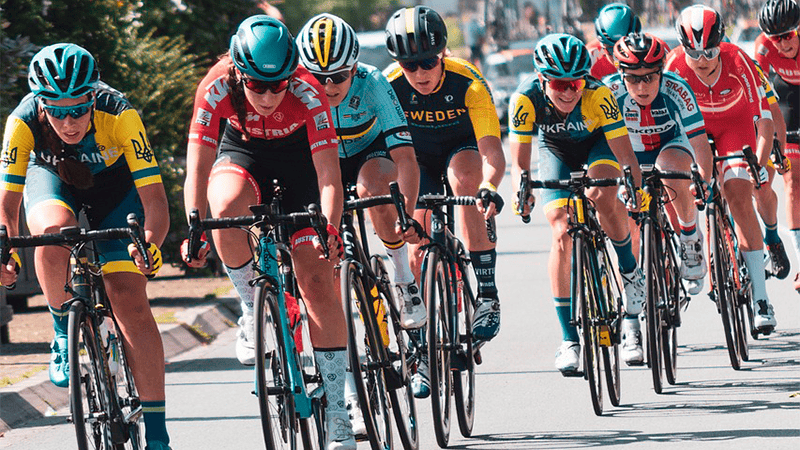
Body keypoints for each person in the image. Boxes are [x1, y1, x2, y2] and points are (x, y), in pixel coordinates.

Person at [180, 16, 355, 449]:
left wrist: (328, 228)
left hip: (301, 166)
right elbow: (198, 166)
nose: (269, 95)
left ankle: (337, 410)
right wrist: (194, 224)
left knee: (316, 280)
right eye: (257, 86)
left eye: (278, 85)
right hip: (244, 152)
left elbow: (330, 177)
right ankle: (249, 302)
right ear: (239, 73)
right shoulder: (216, 85)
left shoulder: (306, 91)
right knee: (222, 210)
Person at [0, 43, 171, 450]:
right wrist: (3, 251)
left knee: (128, 298)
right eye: (56, 111)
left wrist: (150, 244)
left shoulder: (120, 114)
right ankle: (61, 326)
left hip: (115, 192)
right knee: (54, 232)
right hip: (52, 180)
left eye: (78, 108)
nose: (69, 120)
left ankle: (159, 434)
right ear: (40, 104)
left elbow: (155, 201)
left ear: (93, 97)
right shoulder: (21, 123)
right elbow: (6, 207)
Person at [295, 12, 423, 434]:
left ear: (354, 67)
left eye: (339, 76)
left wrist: (405, 212)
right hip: (322, 167)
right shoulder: (296, 91)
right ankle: (349, 393)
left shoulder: (372, 83)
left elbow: (404, 157)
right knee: (327, 279)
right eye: (319, 77)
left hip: (367, 158)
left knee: (375, 185)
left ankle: (402, 278)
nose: (329, 87)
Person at [384, 5, 506, 397]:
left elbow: (491, 149)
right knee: (414, 240)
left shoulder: (467, 80)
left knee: (465, 181)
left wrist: (490, 186)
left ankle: (486, 292)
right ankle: (421, 350)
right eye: (409, 64)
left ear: (442, 54)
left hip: (462, 148)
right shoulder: (389, 87)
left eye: (427, 62)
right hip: (415, 158)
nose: (419, 73)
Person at [508, 33, 645, 375]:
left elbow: (626, 156)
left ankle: (629, 271)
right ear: (543, 80)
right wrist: (520, 195)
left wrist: (634, 188)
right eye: (559, 83)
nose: (569, 91)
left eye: (575, 83)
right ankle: (569, 339)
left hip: (598, 145)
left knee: (602, 194)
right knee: (560, 229)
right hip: (554, 149)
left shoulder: (599, 96)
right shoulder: (525, 98)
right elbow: (521, 166)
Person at [666, 4, 778, 333]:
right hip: (693, 130)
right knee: (684, 184)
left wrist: (757, 160)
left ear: (721, 43)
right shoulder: (674, 67)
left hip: (735, 126)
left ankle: (761, 297)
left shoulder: (738, 59)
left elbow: (765, 119)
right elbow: (669, 128)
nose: (702, 59)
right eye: (693, 52)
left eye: (710, 50)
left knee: (739, 195)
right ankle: (694, 238)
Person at [605, 32, 713, 365]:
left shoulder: (677, 88)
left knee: (672, 172)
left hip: (670, 145)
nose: (641, 86)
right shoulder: (609, 93)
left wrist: (704, 181)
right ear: (621, 75)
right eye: (633, 78)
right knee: (630, 230)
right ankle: (631, 323)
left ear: (661, 71)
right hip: (628, 155)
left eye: (650, 77)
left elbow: (699, 141)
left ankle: (690, 237)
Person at [755, 0, 800, 291]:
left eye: (788, 36)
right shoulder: (762, 47)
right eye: (775, 38)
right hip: (785, 101)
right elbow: (756, 95)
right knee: (792, 181)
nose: (782, 45)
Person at [587, 3, 642, 80]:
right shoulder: (590, 56)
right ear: (602, 46)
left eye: (624, 49)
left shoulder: (652, 48)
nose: (619, 57)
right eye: (611, 50)